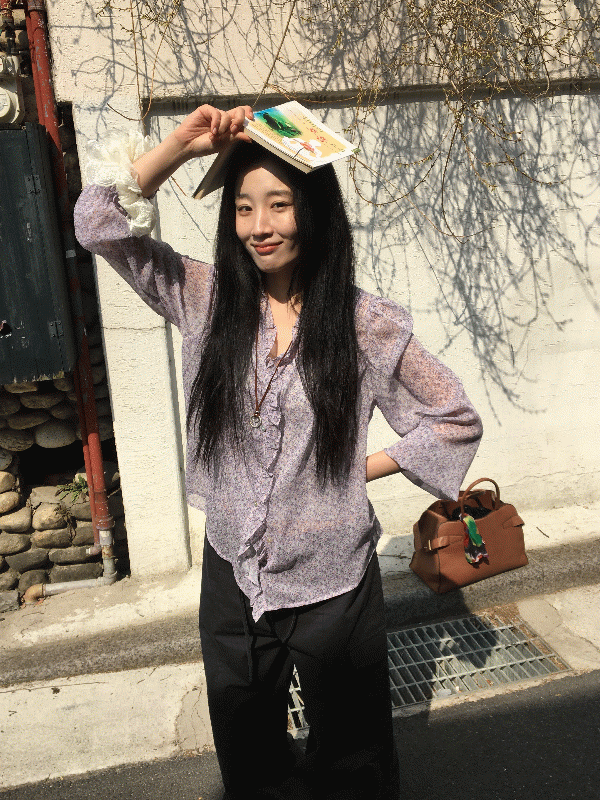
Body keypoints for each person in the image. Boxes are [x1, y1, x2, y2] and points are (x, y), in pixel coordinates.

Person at [74, 104, 483, 800]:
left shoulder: (366, 324)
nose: (258, 226)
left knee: (351, 759)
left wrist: (359, 470)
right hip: (233, 571)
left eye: (279, 204)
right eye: (243, 208)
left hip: (333, 582)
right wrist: (180, 146)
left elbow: (454, 418)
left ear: (314, 211)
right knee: (247, 750)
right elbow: (97, 223)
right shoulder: (205, 298)